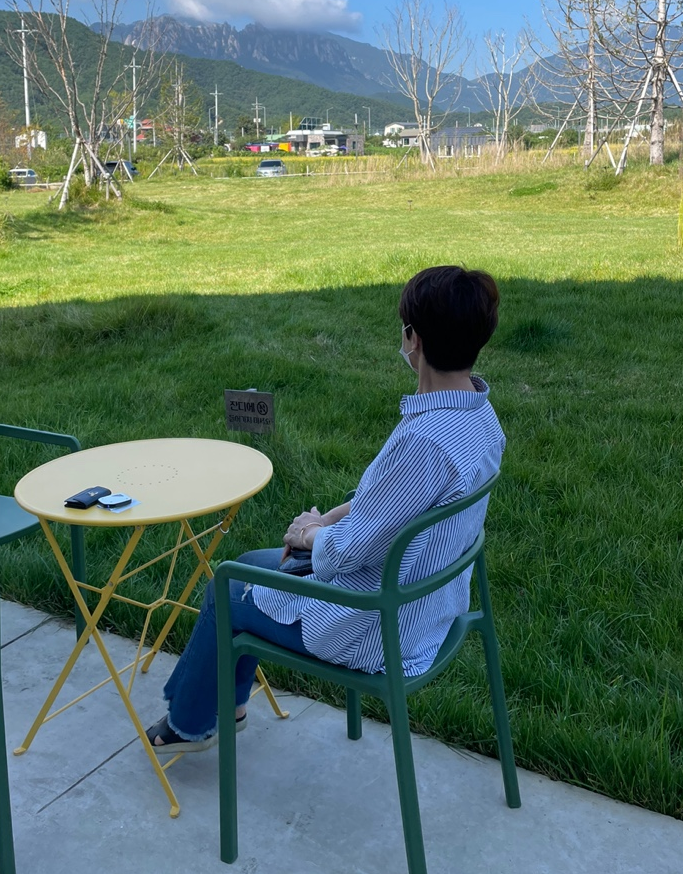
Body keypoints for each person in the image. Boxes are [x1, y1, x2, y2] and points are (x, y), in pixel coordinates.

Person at [147, 265, 505, 754]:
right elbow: (400, 504)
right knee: (249, 563)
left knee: (225, 586)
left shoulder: (425, 441)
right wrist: (330, 519)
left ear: (414, 339)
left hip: (381, 624)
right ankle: (227, 706)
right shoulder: (478, 416)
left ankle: (189, 724)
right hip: (428, 601)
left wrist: (309, 533)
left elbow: (345, 555)